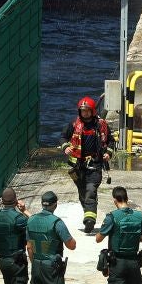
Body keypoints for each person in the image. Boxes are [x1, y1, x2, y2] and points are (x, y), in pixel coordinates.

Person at [61, 97, 114, 233]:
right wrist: (66, 147)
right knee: (82, 193)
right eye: (82, 111)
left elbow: (111, 141)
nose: (84, 113)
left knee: (91, 191)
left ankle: (90, 221)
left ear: (92, 111)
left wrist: (108, 153)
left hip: (95, 165)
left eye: (87, 111)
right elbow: (63, 137)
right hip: (78, 166)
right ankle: (88, 214)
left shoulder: (101, 125)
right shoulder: (73, 125)